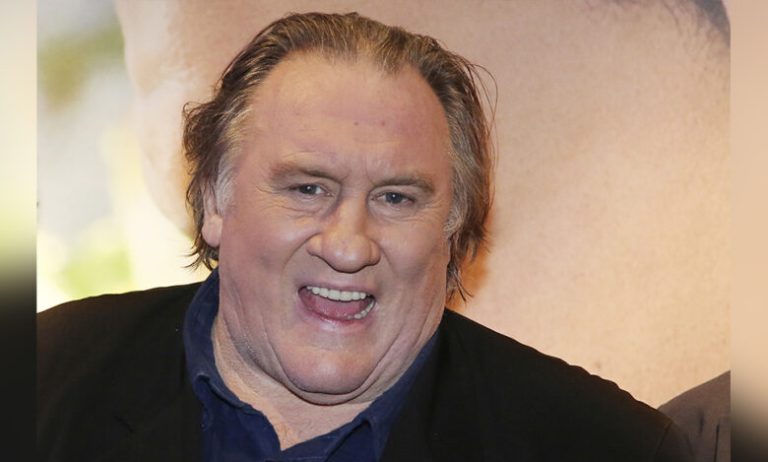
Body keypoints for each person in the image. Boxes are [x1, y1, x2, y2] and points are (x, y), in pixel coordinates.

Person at [37, 12, 692, 461]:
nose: (349, 246)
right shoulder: (38, 378)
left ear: (453, 227)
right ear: (214, 198)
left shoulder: (605, 446)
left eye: (396, 198)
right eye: (307, 189)